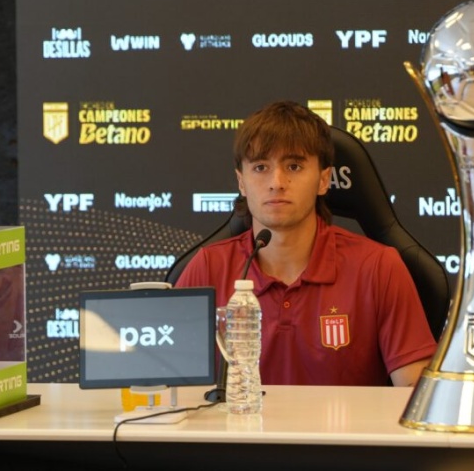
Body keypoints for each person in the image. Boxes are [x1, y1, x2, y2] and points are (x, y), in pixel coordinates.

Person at [175, 100, 436, 386]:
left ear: (324, 180)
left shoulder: (378, 267)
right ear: (241, 182)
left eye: (294, 166)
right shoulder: (208, 268)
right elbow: (168, 389)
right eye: (261, 167)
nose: (276, 181)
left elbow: (414, 399)